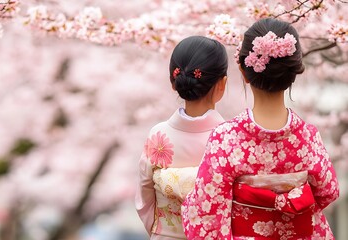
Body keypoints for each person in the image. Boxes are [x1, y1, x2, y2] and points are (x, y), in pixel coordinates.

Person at [181, 18, 340, 239]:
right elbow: (328, 192)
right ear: (293, 74)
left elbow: (206, 213)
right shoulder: (308, 137)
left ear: (244, 72)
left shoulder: (227, 138)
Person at [135, 36, 228, 239]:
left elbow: (144, 200)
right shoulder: (231, 139)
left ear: (173, 82)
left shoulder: (158, 135)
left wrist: (163, 231)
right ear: (222, 84)